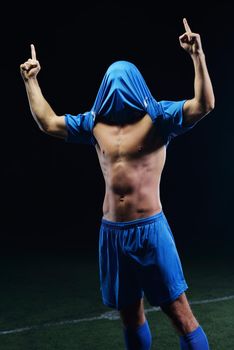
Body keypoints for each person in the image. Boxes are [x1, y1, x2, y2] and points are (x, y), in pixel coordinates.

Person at [20, 18, 214, 350]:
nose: (117, 86)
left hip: (150, 231)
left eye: (123, 81)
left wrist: (198, 57)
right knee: (130, 316)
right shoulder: (94, 125)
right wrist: (31, 81)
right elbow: (48, 123)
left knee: (181, 316)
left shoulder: (159, 119)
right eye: (112, 81)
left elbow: (204, 105)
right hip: (112, 233)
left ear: (137, 84)